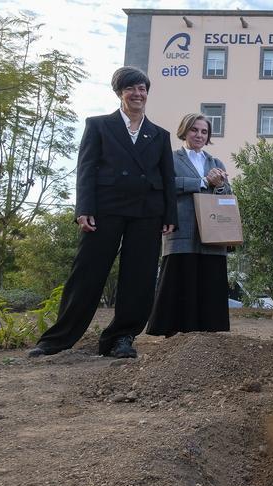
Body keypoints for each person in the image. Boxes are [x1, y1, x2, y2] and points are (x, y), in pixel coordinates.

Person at [27, 66, 177, 359]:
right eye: (131, 89)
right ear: (120, 93)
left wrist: (170, 214)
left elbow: (167, 177)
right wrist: (84, 208)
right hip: (105, 209)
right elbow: (85, 168)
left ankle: (121, 338)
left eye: (142, 89)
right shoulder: (98, 125)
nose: (138, 94)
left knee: (140, 278)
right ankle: (57, 339)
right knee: (87, 273)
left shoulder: (159, 135)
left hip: (147, 212)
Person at [145, 113, 231, 337]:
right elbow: (164, 185)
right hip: (182, 228)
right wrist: (202, 182)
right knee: (180, 276)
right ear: (184, 130)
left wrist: (220, 185)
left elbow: (227, 195)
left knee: (209, 278)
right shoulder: (171, 159)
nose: (199, 135)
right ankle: (173, 330)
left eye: (204, 131)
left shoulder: (216, 162)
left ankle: (208, 331)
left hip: (212, 233)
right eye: (195, 130)